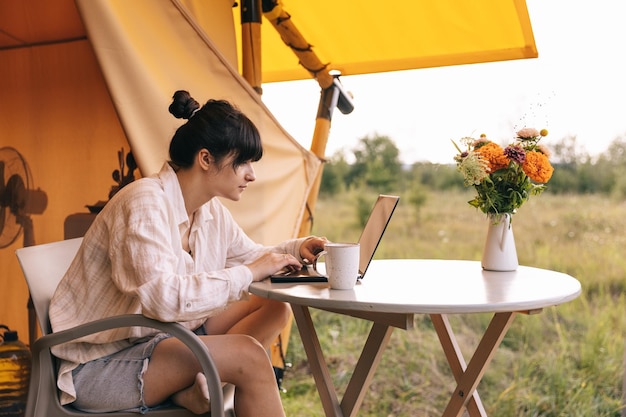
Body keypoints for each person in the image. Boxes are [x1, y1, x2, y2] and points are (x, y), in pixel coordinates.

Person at [49, 90, 327, 416]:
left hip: (162, 340)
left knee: (275, 307)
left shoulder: (209, 211)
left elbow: (250, 257)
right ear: (206, 159)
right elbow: (165, 300)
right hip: (99, 365)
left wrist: (296, 249)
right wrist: (252, 271)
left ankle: (199, 388)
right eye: (243, 162)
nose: (251, 174)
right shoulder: (144, 202)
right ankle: (197, 387)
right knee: (249, 357)